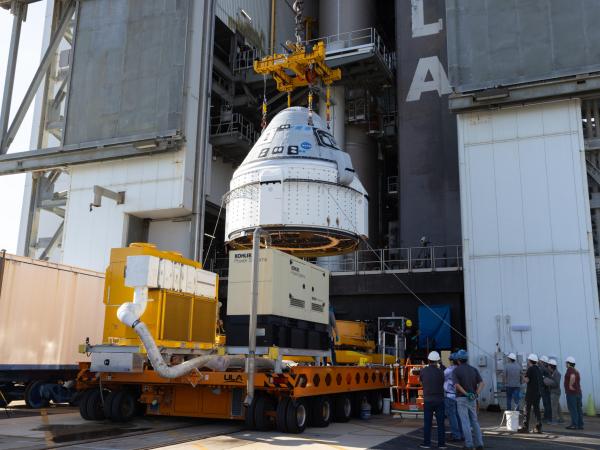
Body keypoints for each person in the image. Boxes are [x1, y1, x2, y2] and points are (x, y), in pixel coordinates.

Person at [453, 349, 484, 450]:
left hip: (462, 399)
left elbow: (457, 385)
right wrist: (475, 394)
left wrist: (466, 394)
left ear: (458, 360)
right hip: (472, 399)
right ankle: (480, 444)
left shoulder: (456, 370)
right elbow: (482, 383)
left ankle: (469, 444)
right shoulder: (473, 369)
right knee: (475, 421)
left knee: (465, 422)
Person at [419, 351, 446, 449]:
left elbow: (421, 383)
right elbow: (444, 382)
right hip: (439, 400)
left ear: (428, 360)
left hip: (428, 400)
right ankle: (442, 444)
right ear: (438, 360)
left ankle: (427, 443)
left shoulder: (423, 371)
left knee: (427, 423)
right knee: (441, 423)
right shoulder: (441, 371)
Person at [519, 353, 543, 434]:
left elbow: (527, 380)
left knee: (527, 409)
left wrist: (523, 375)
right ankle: (538, 427)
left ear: (530, 361)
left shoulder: (530, 369)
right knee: (537, 410)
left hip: (530, 393)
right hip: (538, 393)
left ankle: (525, 427)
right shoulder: (539, 370)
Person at [444, 353, 463, 442]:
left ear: (451, 361)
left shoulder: (448, 370)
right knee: (459, 416)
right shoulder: (461, 370)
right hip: (460, 396)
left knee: (452, 416)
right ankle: (462, 433)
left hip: (450, 396)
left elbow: (442, 378)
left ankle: (456, 435)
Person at [564, 356, 583, 430]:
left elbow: (572, 376)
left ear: (568, 363)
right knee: (579, 409)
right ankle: (580, 424)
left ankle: (574, 424)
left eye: (566, 363)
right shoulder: (576, 371)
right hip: (578, 393)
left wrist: (570, 385)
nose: (565, 364)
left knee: (573, 409)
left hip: (572, 394)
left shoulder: (570, 370)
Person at [545, 359, 563, 424]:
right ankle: (561, 419)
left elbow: (556, 384)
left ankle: (554, 420)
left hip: (555, 392)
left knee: (554, 407)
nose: (547, 367)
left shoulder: (557, 374)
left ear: (551, 366)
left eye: (548, 366)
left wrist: (547, 381)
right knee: (557, 406)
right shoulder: (552, 373)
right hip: (554, 392)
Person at [539, 355, 552, 423]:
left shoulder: (542, 369)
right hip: (548, 388)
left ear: (543, 362)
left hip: (544, 389)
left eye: (540, 361)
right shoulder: (548, 369)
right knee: (548, 403)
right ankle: (549, 417)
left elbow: (540, 378)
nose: (539, 362)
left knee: (546, 403)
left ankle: (547, 417)